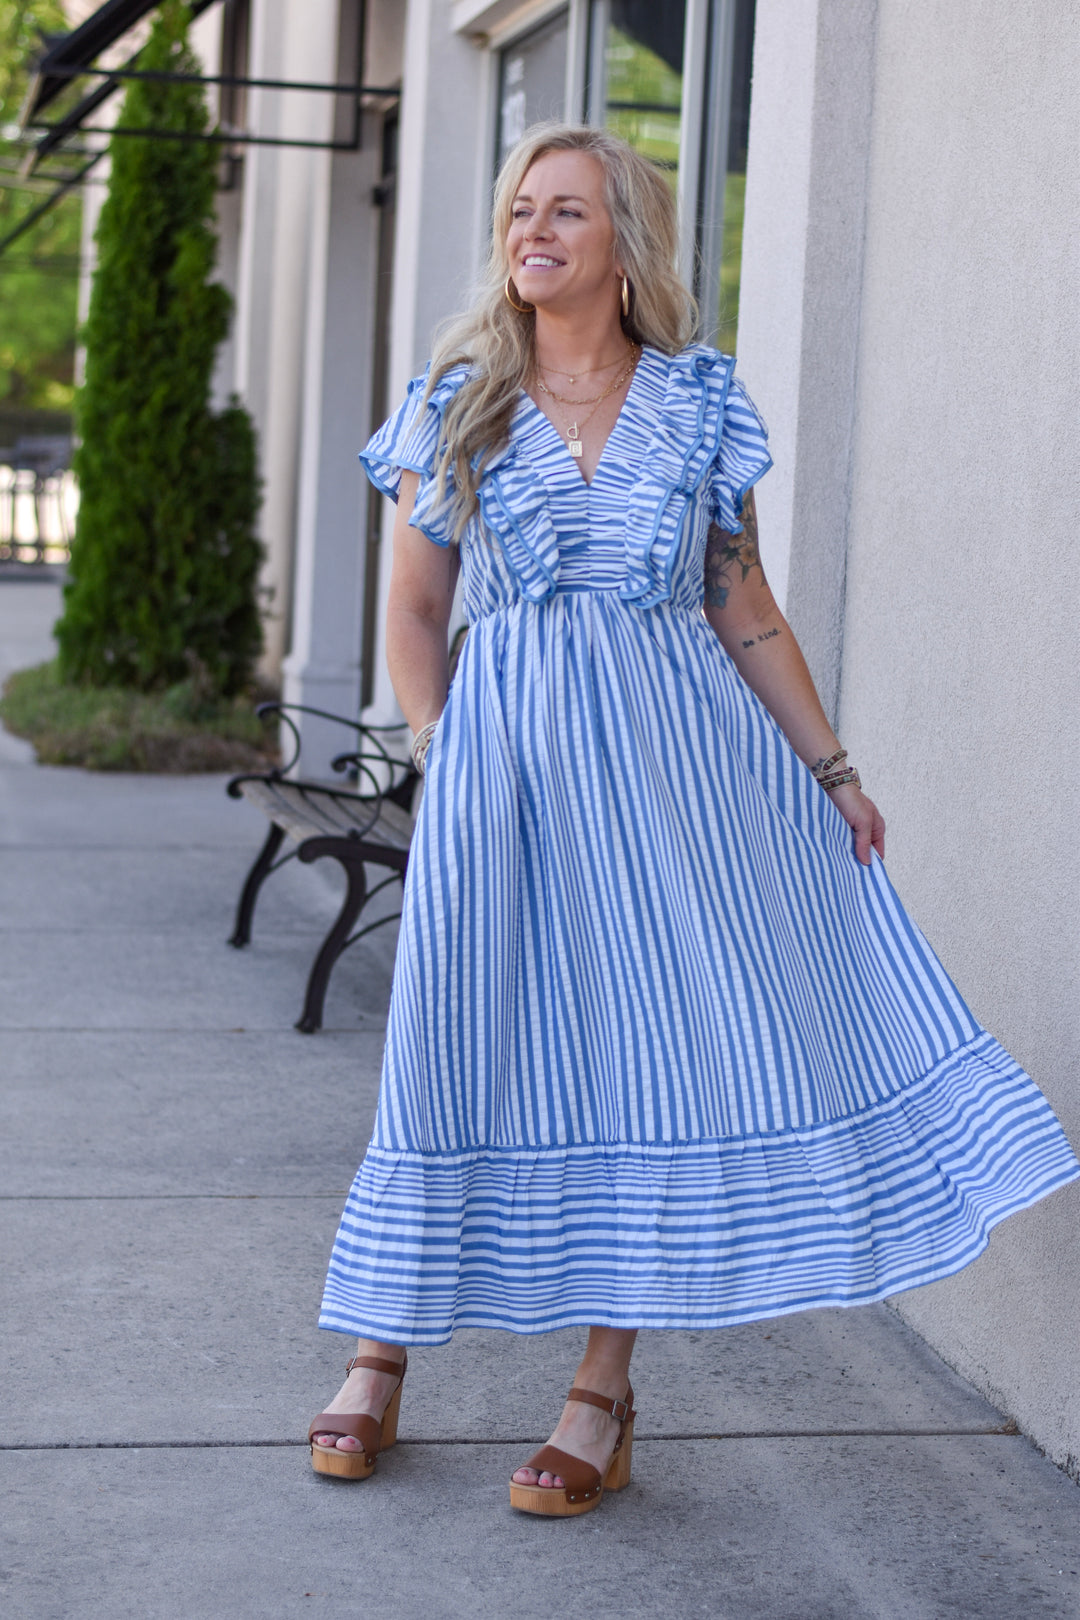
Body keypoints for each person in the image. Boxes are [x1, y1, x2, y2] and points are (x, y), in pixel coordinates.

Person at [308, 123, 1079, 1514]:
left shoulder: (699, 406)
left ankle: (600, 1392)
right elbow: (416, 612)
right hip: (505, 773)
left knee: (646, 1061)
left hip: (682, 785)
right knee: (451, 1039)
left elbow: (745, 608)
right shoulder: (459, 401)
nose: (532, 231)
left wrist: (835, 772)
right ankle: (379, 1351)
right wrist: (444, 752)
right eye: (520, 210)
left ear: (627, 241)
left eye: (565, 210)